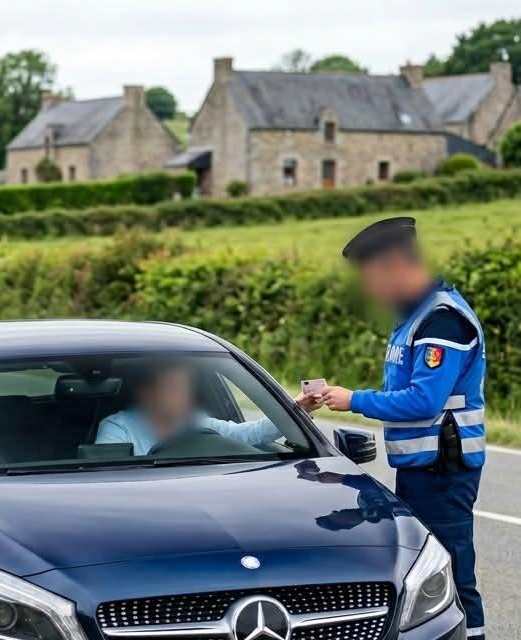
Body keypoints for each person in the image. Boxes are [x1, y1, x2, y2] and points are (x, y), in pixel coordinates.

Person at [317, 217, 486, 640]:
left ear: (395, 267)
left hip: (444, 472)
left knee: (452, 573)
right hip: (422, 467)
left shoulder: (443, 321)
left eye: (372, 278)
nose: (370, 290)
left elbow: (424, 401)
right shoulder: (413, 317)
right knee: (428, 568)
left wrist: (353, 399)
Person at [96, 361, 321, 455]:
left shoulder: (195, 421)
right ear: (148, 393)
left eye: (185, 389)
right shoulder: (118, 427)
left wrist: (297, 408)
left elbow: (251, 434)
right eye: (172, 389)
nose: (183, 396)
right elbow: (106, 478)